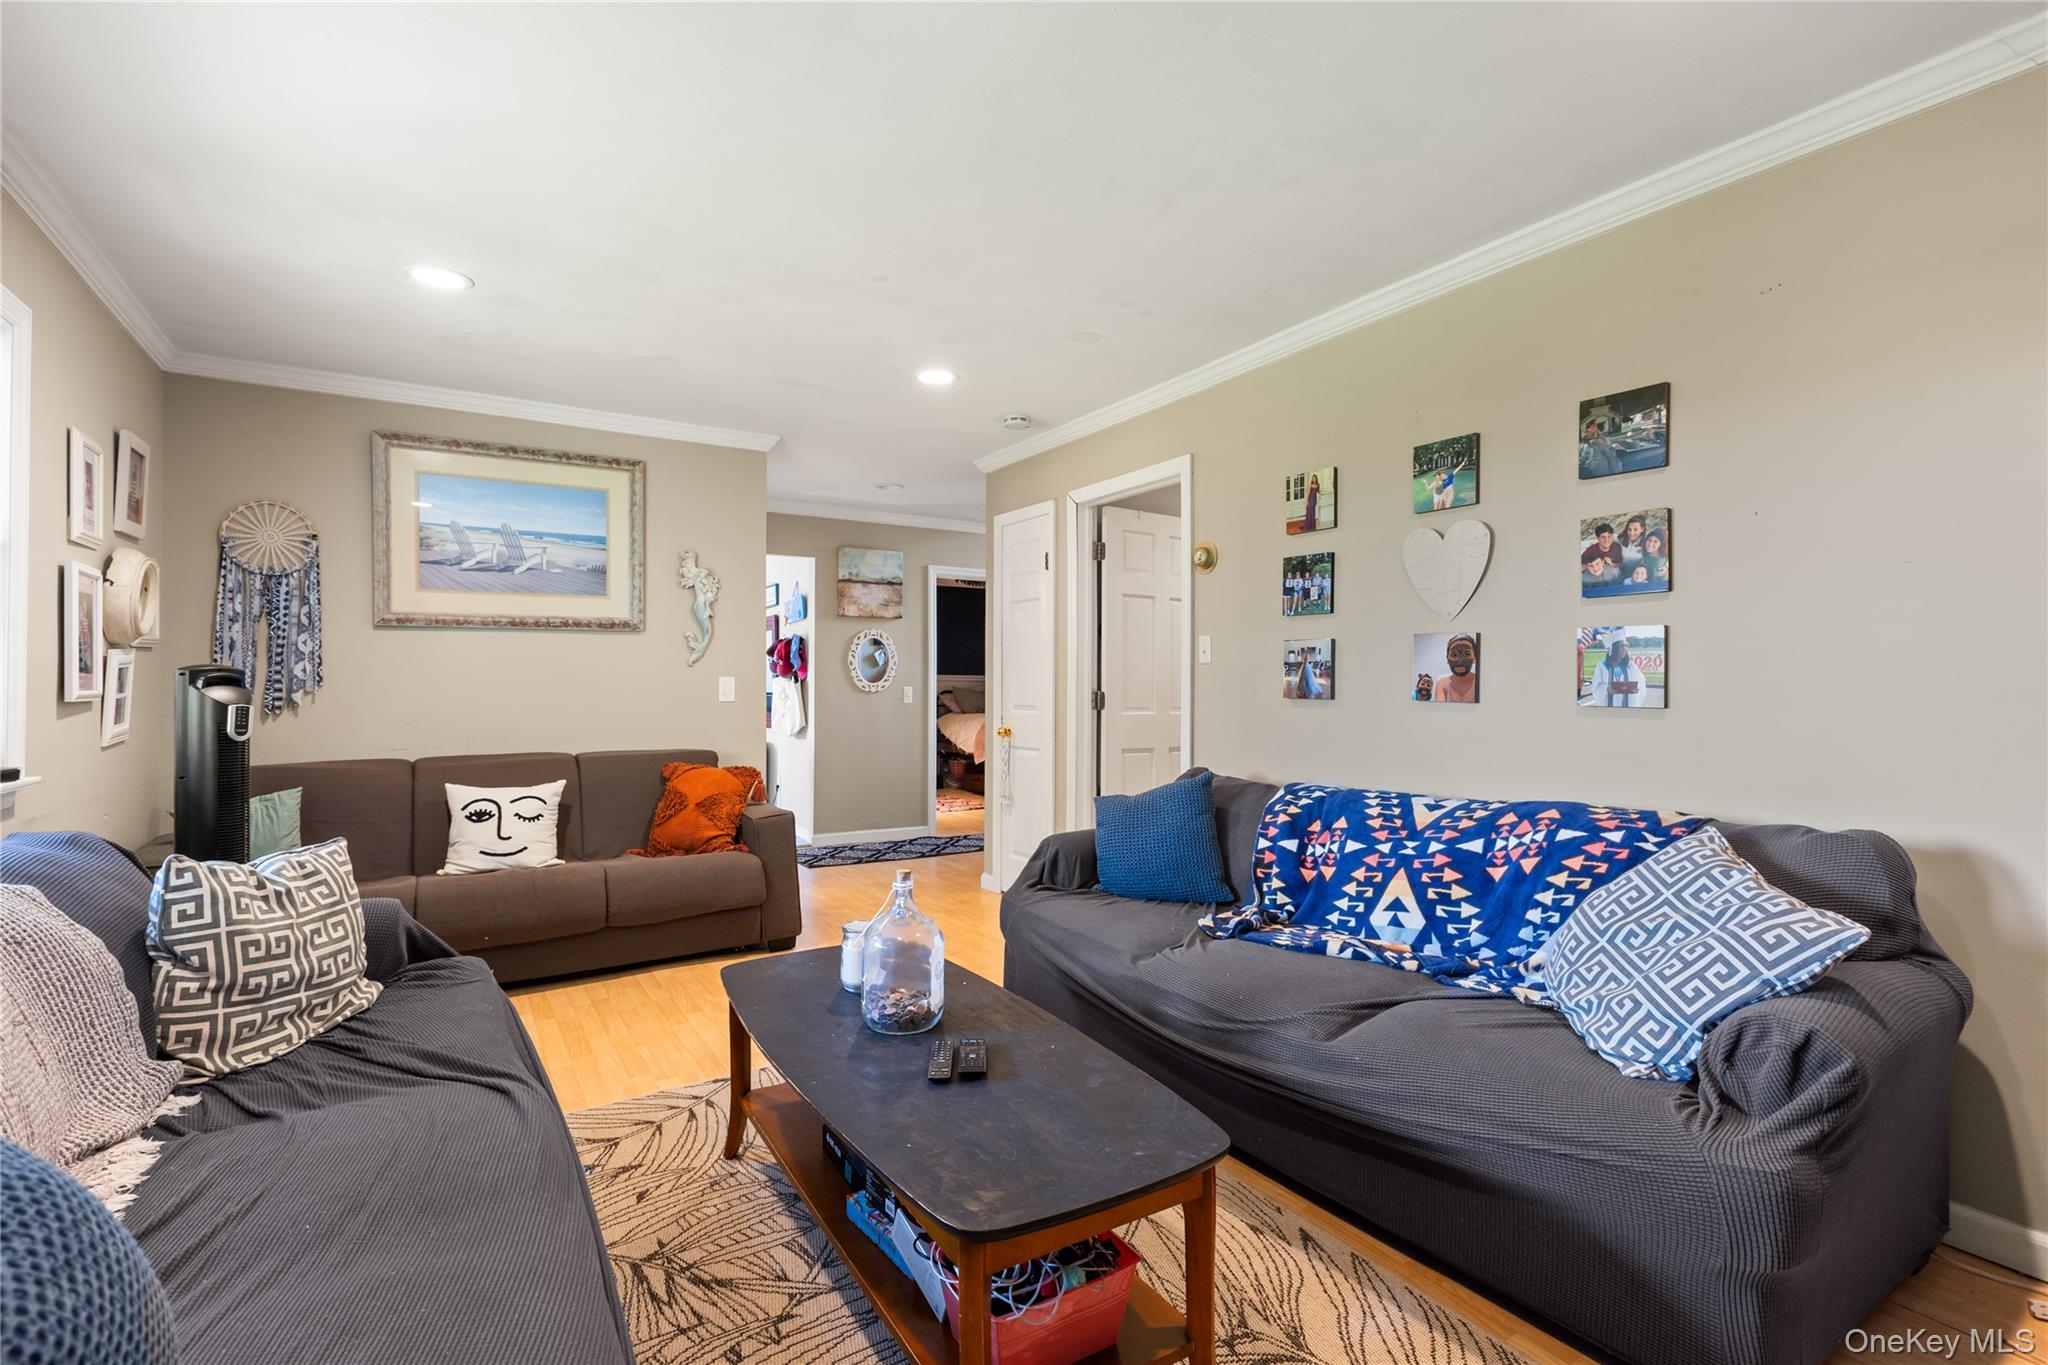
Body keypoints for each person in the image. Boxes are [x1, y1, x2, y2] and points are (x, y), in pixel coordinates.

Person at [1587, 634, 1646, 707]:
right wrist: (1606, 689)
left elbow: (1640, 683)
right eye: (1621, 646)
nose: (1625, 648)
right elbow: (1595, 687)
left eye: (1626, 645)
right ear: (1613, 648)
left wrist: (1637, 690)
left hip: (1628, 707)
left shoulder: (1631, 666)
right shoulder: (1602, 666)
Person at [1430, 633, 1478, 703]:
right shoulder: (1442, 684)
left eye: (1467, 654)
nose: (1460, 662)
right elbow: (1439, 710)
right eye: (1454, 655)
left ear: (1475, 658)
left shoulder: (1482, 682)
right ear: (1447, 659)